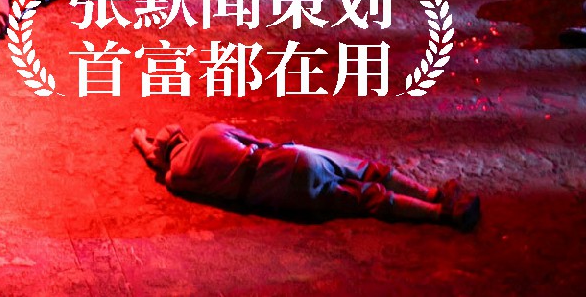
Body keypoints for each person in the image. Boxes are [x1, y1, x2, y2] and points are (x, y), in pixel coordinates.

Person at [132, 123, 479, 229]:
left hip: (282, 198)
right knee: (370, 171)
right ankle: (431, 193)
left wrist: (142, 142)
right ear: (182, 135)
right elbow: (260, 142)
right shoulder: (210, 134)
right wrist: (142, 137)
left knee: (368, 200)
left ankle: (440, 214)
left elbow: (155, 160)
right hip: (290, 162)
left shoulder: (177, 178)